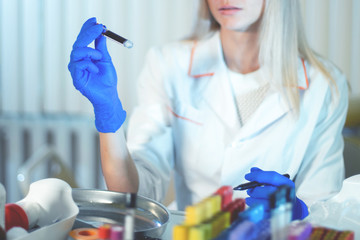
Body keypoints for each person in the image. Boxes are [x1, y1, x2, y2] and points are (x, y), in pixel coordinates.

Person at [68, 0, 348, 220]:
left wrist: (298, 212)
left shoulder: (324, 85)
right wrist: (109, 117)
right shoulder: (168, 65)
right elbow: (133, 193)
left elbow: (326, 207)